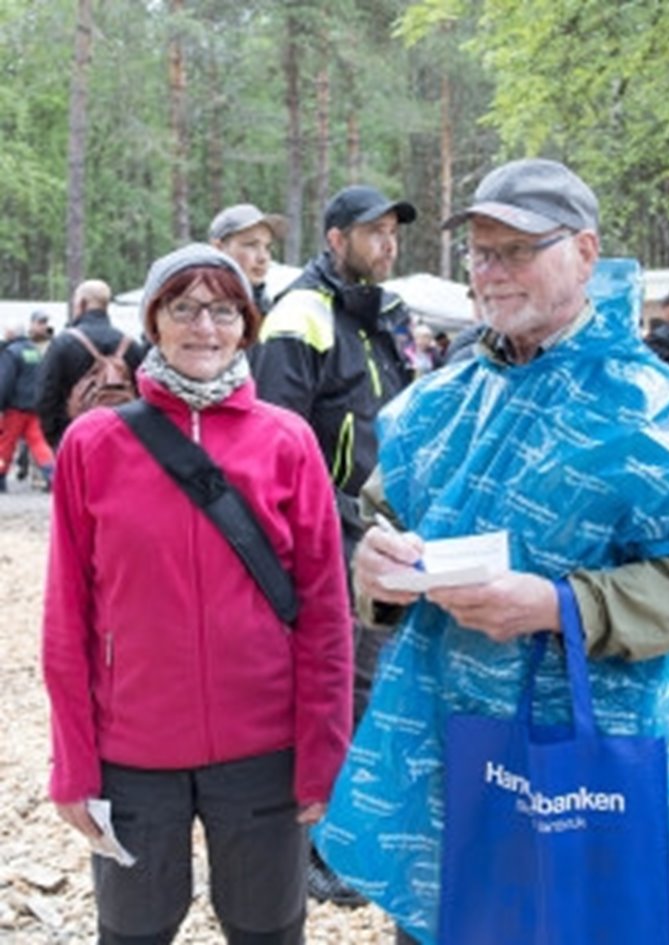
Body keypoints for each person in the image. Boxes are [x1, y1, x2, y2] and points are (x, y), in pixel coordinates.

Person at [320, 157, 669, 944]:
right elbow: (381, 530)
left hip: (591, 770)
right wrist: (376, 571)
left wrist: (561, 605)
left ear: (585, 251)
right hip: (452, 757)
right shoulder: (441, 402)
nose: (492, 273)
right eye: (480, 252)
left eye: (517, 250)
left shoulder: (657, 408)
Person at [42, 244, 353, 945]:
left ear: (247, 324)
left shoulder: (289, 442)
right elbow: (68, 617)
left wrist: (323, 751)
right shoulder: (93, 446)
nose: (203, 327)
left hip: (264, 747)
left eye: (222, 309)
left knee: (267, 925)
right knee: (134, 928)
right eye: (183, 307)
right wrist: (73, 761)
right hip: (134, 750)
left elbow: (326, 616)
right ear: (154, 320)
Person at [250, 182, 415, 906]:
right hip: (330, 529)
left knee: (376, 683)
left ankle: (355, 829)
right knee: (337, 684)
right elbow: (275, 437)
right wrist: (313, 529)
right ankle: (318, 846)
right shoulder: (299, 314)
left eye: (393, 232)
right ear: (335, 238)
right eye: (373, 231)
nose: (388, 243)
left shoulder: (386, 313)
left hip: (386, 526)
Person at [37, 279, 145, 451]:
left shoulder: (63, 343)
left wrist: (57, 440)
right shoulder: (132, 346)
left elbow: (46, 396)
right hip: (122, 440)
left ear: (81, 304)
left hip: (76, 439)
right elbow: (144, 395)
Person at [0, 311, 56, 491]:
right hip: (35, 407)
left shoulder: (11, 352)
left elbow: (5, 381)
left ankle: (0, 478)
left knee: (4, 445)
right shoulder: (34, 351)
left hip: (15, 408)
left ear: (11, 334)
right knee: (39, 444)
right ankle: (53, 476)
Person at [208, 203, 289, 315]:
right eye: (251, 245)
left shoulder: (268, 306)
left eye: (267, 247)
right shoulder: (202, 308)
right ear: (219, 248)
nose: (263, 258)